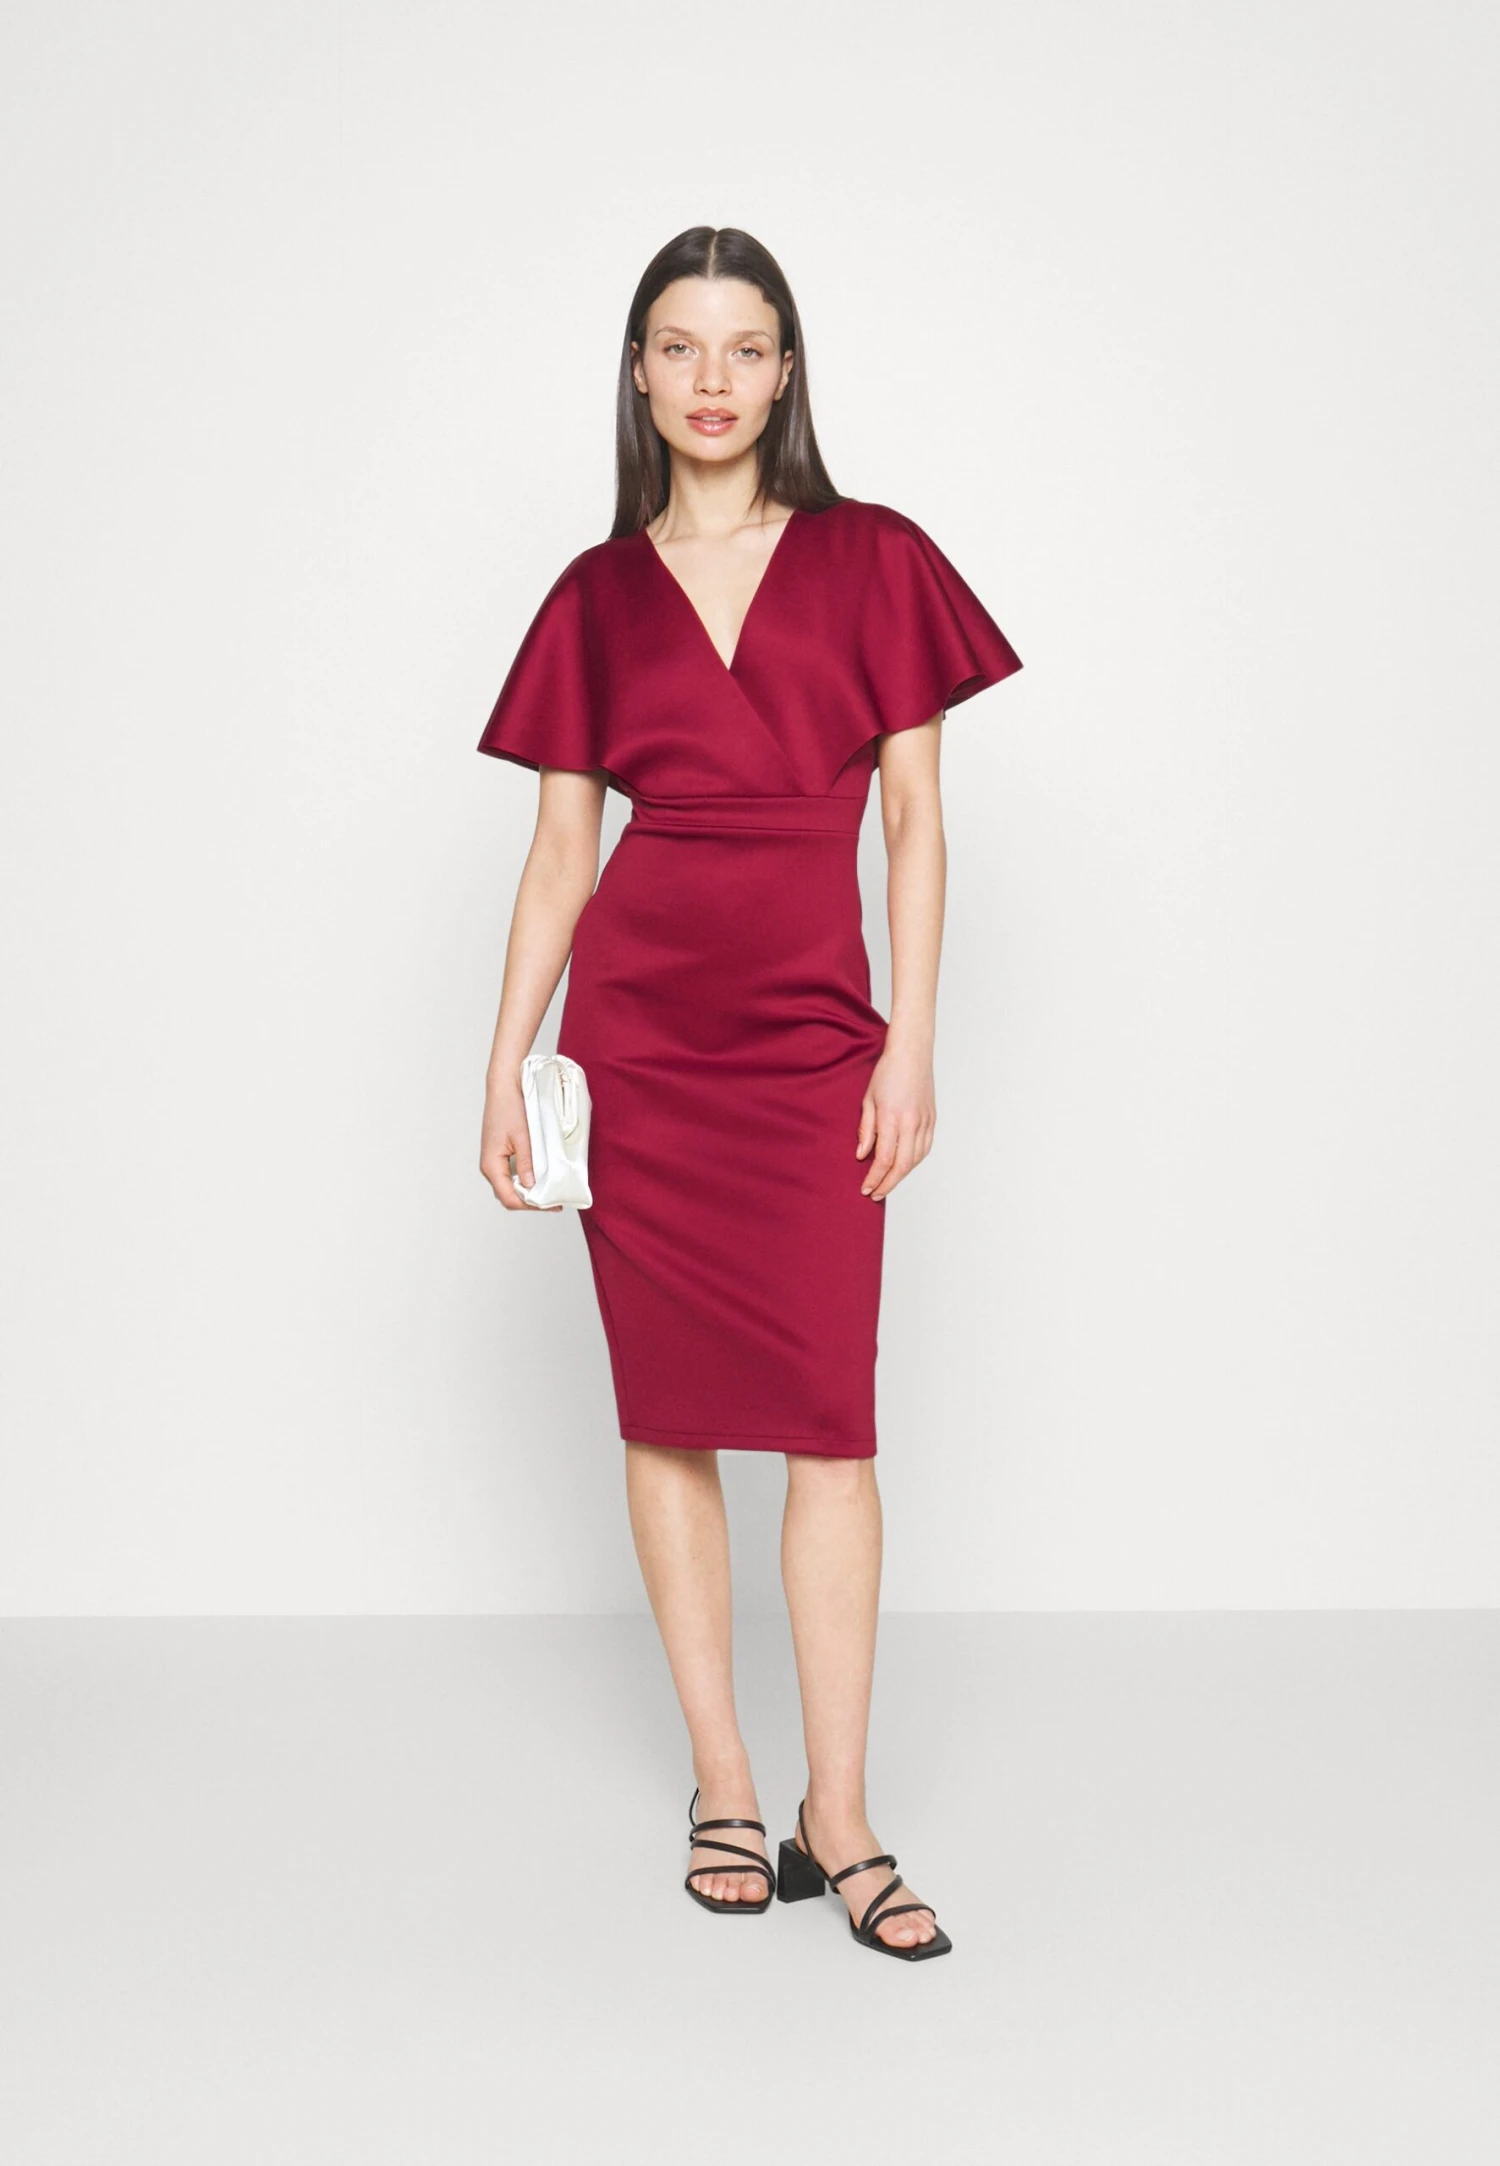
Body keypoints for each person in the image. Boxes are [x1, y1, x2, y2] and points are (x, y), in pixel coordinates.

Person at [476, 227, 1023, 1961]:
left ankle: (836, 1812)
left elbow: (917, 821)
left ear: (788, 371)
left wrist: (910, 1041)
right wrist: (509, 1057)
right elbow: (562, 851)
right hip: (640, 1047)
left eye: (746, 345)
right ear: (638, 372)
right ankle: (726, 1777)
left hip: (810, 1046)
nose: (711, 378)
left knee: (832, 1427)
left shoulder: (875, 557)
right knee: (666, 1414)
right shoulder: (593, 593)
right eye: (678, 344)